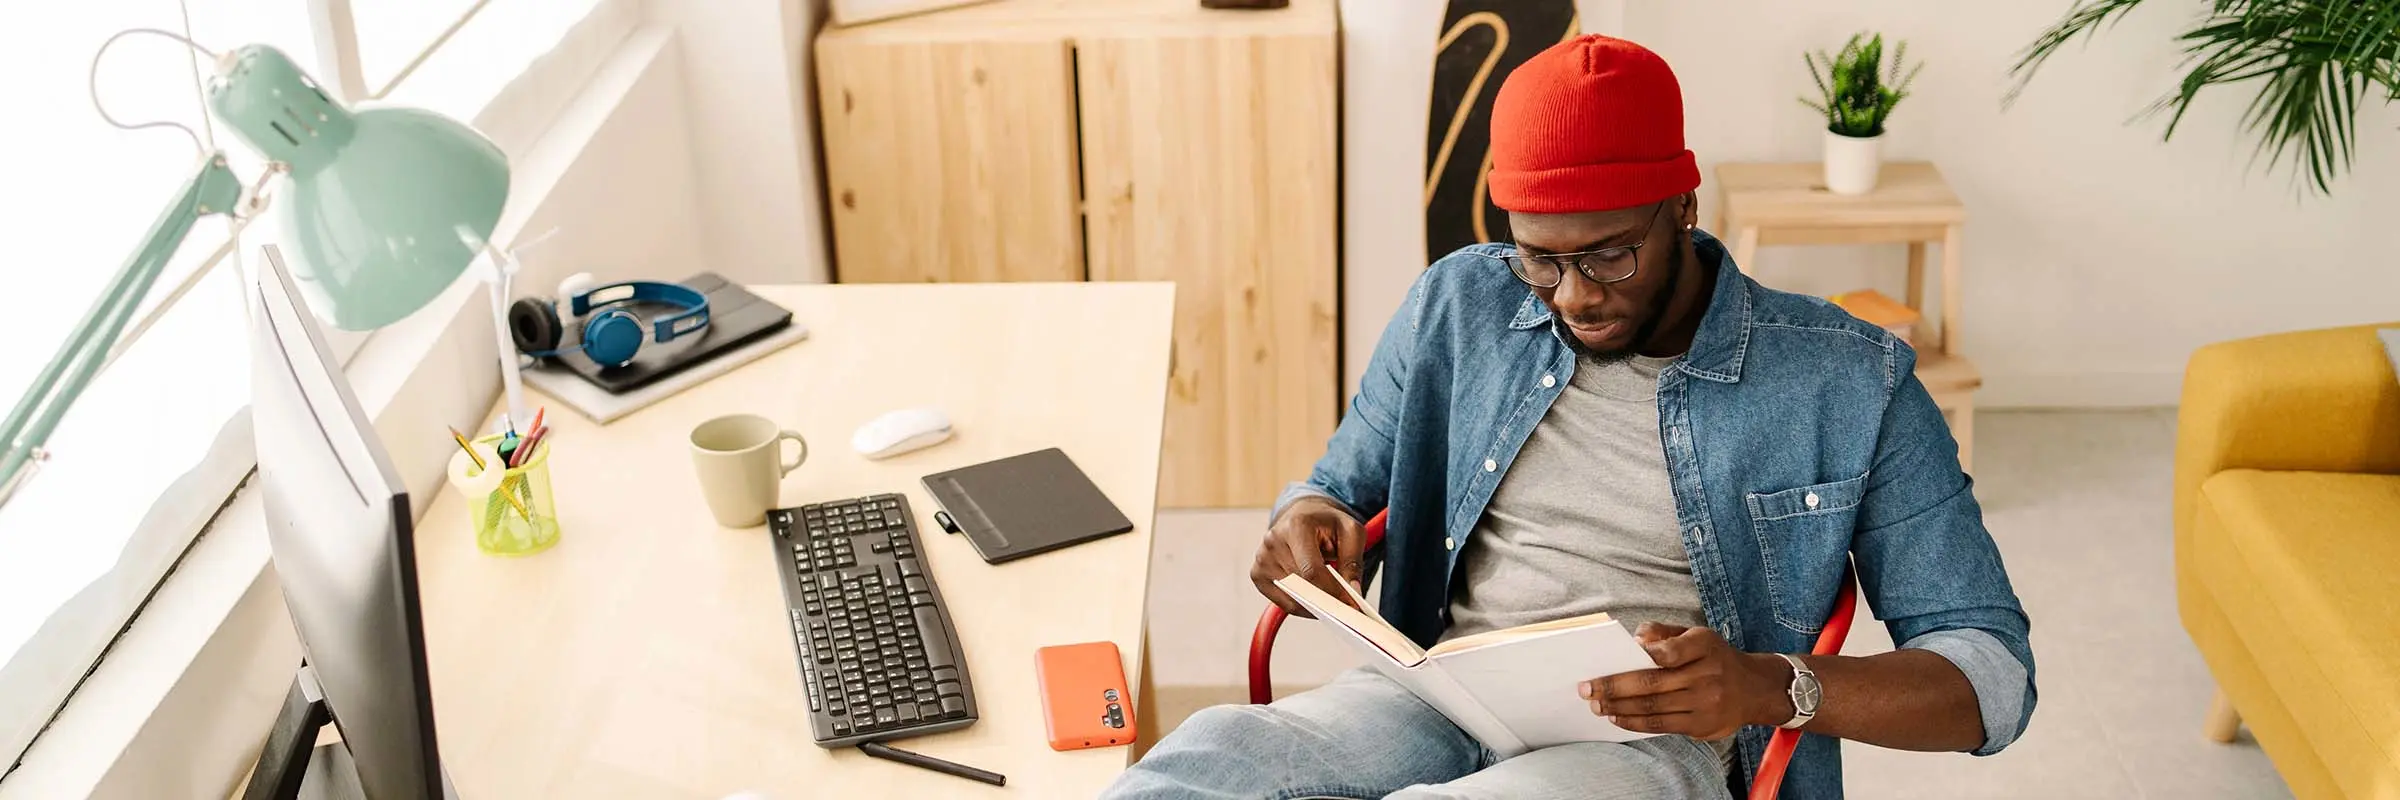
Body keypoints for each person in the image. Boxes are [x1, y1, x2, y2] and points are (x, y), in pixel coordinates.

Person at [1102, 34, 2034, 800]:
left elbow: (1990, 676)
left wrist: (1766, 685)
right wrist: (1308, 521)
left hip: (1643, 745)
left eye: (1612, 256)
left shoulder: (1849, 380)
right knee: (1207, 759)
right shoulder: (1461, 303)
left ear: (1684, 205)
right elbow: (1339, 489)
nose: (1574, 297)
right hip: (1437, 690)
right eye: (1540, 261)